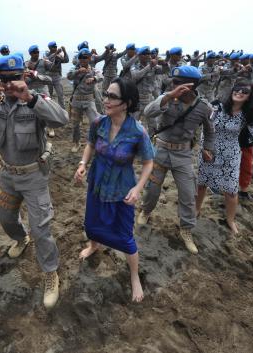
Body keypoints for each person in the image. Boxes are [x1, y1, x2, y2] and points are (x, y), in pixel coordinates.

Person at [0, 54, 69, 309]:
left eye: (15, 78)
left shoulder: (36, 99)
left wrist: (30, 98)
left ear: (24, 76)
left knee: (41, 229)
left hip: (34, 175)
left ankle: (50, 273)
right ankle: (21, 239)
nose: (10, 84)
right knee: (7, 219)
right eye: (5, 79)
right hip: (8, 175)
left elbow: (61, 119)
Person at [74, 78, 154, 302]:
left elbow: (148, 163)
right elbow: (90, 144)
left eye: (112, 96)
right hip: (97, 183)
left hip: (121, 189)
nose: (105, 99)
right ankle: (94, 246)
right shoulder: (99, 123)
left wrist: (138, 188)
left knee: (125, 235)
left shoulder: (138, 132)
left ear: (126, 103)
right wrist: (82, 165)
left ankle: (134, 275)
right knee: (92, 223)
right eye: (105, 94)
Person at [137, 66, 215, 254]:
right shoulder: (167, 97)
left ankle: (186, 229)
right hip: (161, 150)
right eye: (173, 81)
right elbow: (148, 112)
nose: (174, 85)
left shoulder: (203, 106)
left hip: (183, 155)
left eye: (178, 83)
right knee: (152, 189)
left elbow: (210, 130)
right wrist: (169, 95)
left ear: (192, 85)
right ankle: (146, 211)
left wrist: (208, 148)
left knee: (188, 194)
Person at [196, 81, 253, 234]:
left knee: (231, 190)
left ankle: (230, 220)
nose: (240, 92)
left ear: (250, 97)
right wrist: (204, 147)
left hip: (231, 156)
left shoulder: (249, 114)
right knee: (202, 183)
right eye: (237, 88)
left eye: (245, 91)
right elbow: (204, 126)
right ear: (232, 90)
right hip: (209, 152)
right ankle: (196, 210)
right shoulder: (217, 106)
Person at [67, 48, 103, 153]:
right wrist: (78, 71)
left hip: (89, 100)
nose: (83, 60)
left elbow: (101, 76)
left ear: (89, 58)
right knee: (75, 124)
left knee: (95, 122)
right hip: (77, 100)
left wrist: (94, 79)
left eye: (86, 57)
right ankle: (76, 142)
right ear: (79, 59)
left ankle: (96, 143)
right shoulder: (74, 69)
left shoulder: (93, 70)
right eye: (81, 58)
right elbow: (68, 76)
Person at [130, 46, 163, 132]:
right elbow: (136, 76)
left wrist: (165, 65)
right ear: (140, 56)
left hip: (149, 98)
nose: (148, 56)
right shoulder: (134, 66)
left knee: (153, 123)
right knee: (133, 122)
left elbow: (165, 71)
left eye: (149, 54)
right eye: (145, 54)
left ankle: (151, 140)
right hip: (137, 99)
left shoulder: (154, 67)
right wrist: (149, 66)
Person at [44, 41, 69, 109]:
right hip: (48, 75)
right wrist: (56, 53)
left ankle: (62, 109)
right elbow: (47, 60)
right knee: (49, 94)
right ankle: (49, 109)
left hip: (57, 76)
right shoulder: (46, 54)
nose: (55, 48)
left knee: (60, 94)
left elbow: (66, 60)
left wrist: (64, 51)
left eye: (56, 47)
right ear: (49, 48)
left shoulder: (59, 55)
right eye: (54, 47)